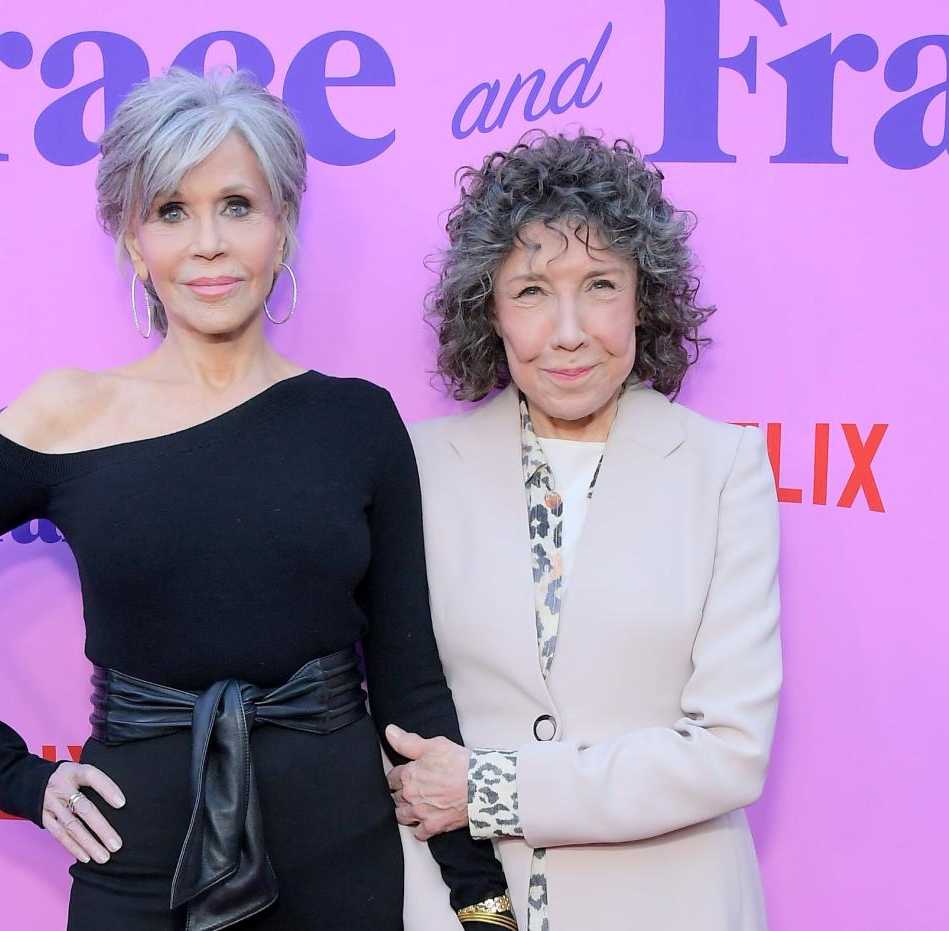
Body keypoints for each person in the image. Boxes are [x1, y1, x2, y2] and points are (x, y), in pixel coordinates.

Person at [0, 69, 514, 931]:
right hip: (135, 858)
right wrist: (17, 776)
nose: (208, 243)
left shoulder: (356, 419)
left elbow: (408, 674)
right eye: (171, 211)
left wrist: (478, 896)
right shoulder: (68, 412)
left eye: (237, 204)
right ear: (132, 239)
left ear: (283, 227)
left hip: (342, 856)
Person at [384, 131, 781, 931]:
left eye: (599, 283)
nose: (567, 331)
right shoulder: (414, 466)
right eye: (531, 290)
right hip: (458, 909)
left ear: (645, 296)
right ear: (488, 308)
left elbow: (731, 750)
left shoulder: (724, 467)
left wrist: (492, 788)